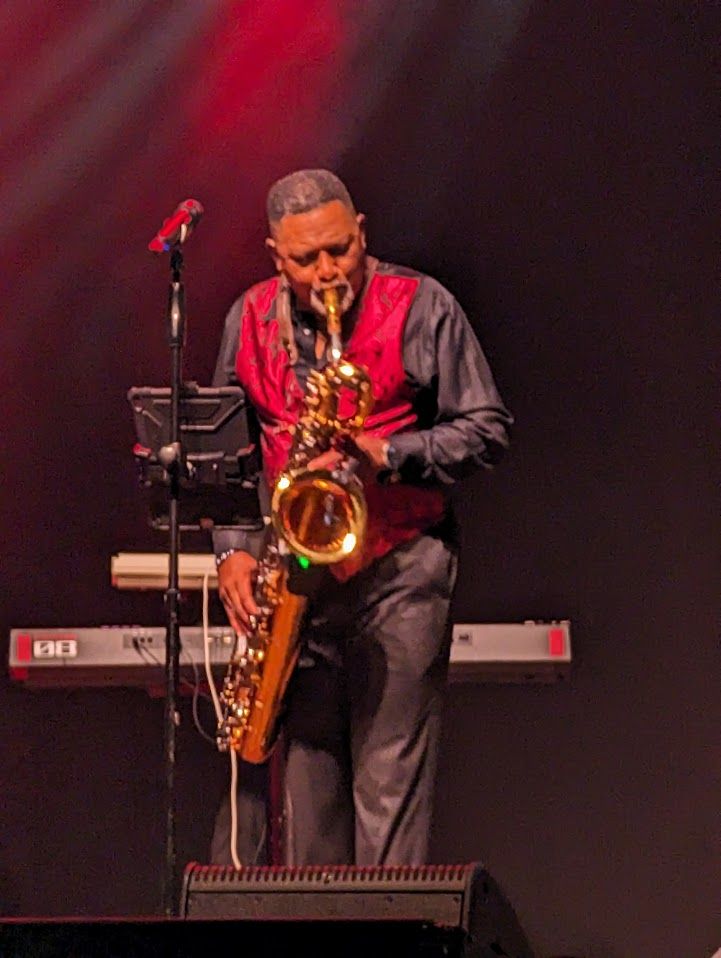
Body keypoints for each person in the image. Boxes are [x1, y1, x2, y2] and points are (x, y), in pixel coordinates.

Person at [210, 169, 512, 866]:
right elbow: (226, 451)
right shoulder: (247, 317)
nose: (328, 272)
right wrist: (232, 549)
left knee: (388, 785)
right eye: (306, 259)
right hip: (298, 578)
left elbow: (487, 428)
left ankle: (389, 923)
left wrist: (389, 453)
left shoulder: (423, 303)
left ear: (362, 232)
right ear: (275, 257)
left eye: (340, 249)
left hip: (401, 567)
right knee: (307, 797)